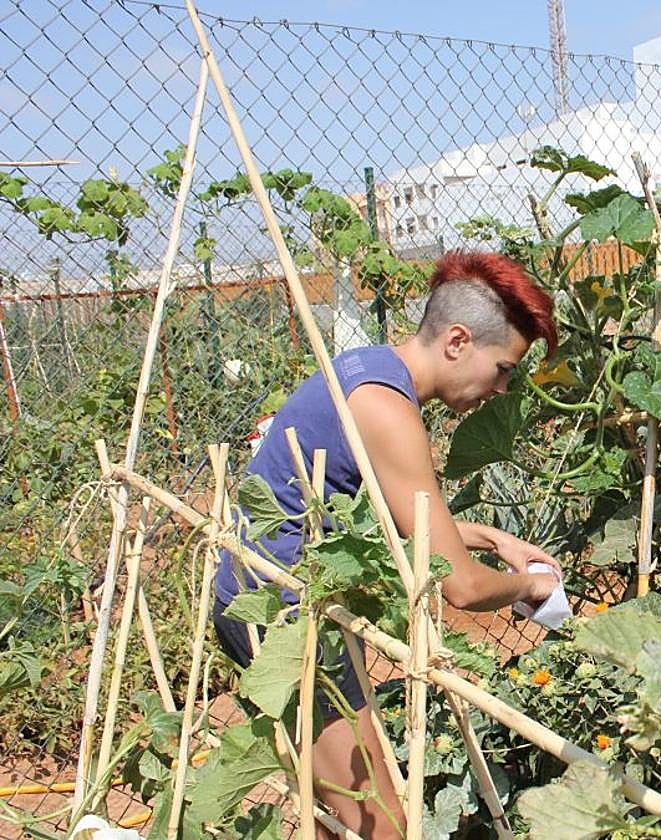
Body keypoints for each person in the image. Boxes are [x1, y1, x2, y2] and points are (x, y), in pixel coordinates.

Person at [211, 251, 561, 838]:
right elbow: (463, 588)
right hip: (284, 612)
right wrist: (533, 585)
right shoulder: (387, 409)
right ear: (457, 341)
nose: (502, 389)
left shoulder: (370, 366)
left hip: (266, 588)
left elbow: (401, 522)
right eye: (502, 369)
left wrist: (488, 537)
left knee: (335, 811)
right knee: (381, 822)